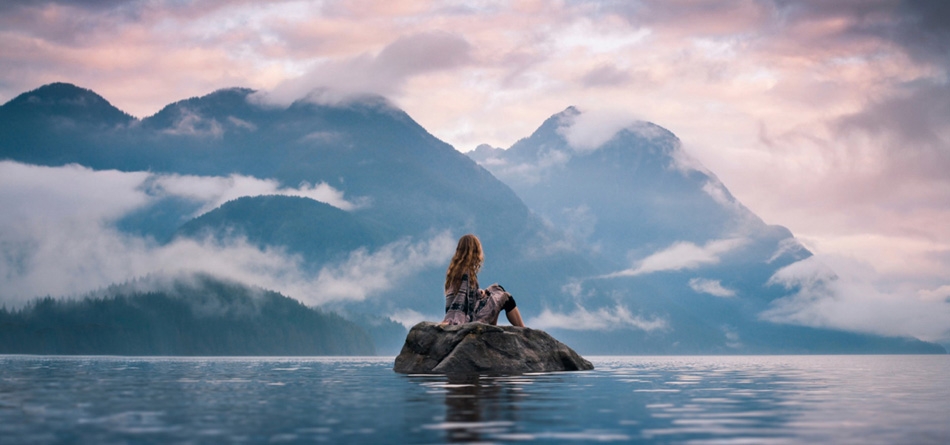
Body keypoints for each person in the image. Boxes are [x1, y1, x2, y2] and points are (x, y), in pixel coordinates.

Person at [441, 234, 525, 327]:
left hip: (468, 313)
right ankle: (523, 330)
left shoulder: (457, 269)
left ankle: (493, 326)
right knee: (506, 298)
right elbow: (460, 300)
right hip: (468, 318)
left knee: (496, 289)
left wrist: (479, 292)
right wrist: (455, 320)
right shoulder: (465, 273)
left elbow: (466, 296)